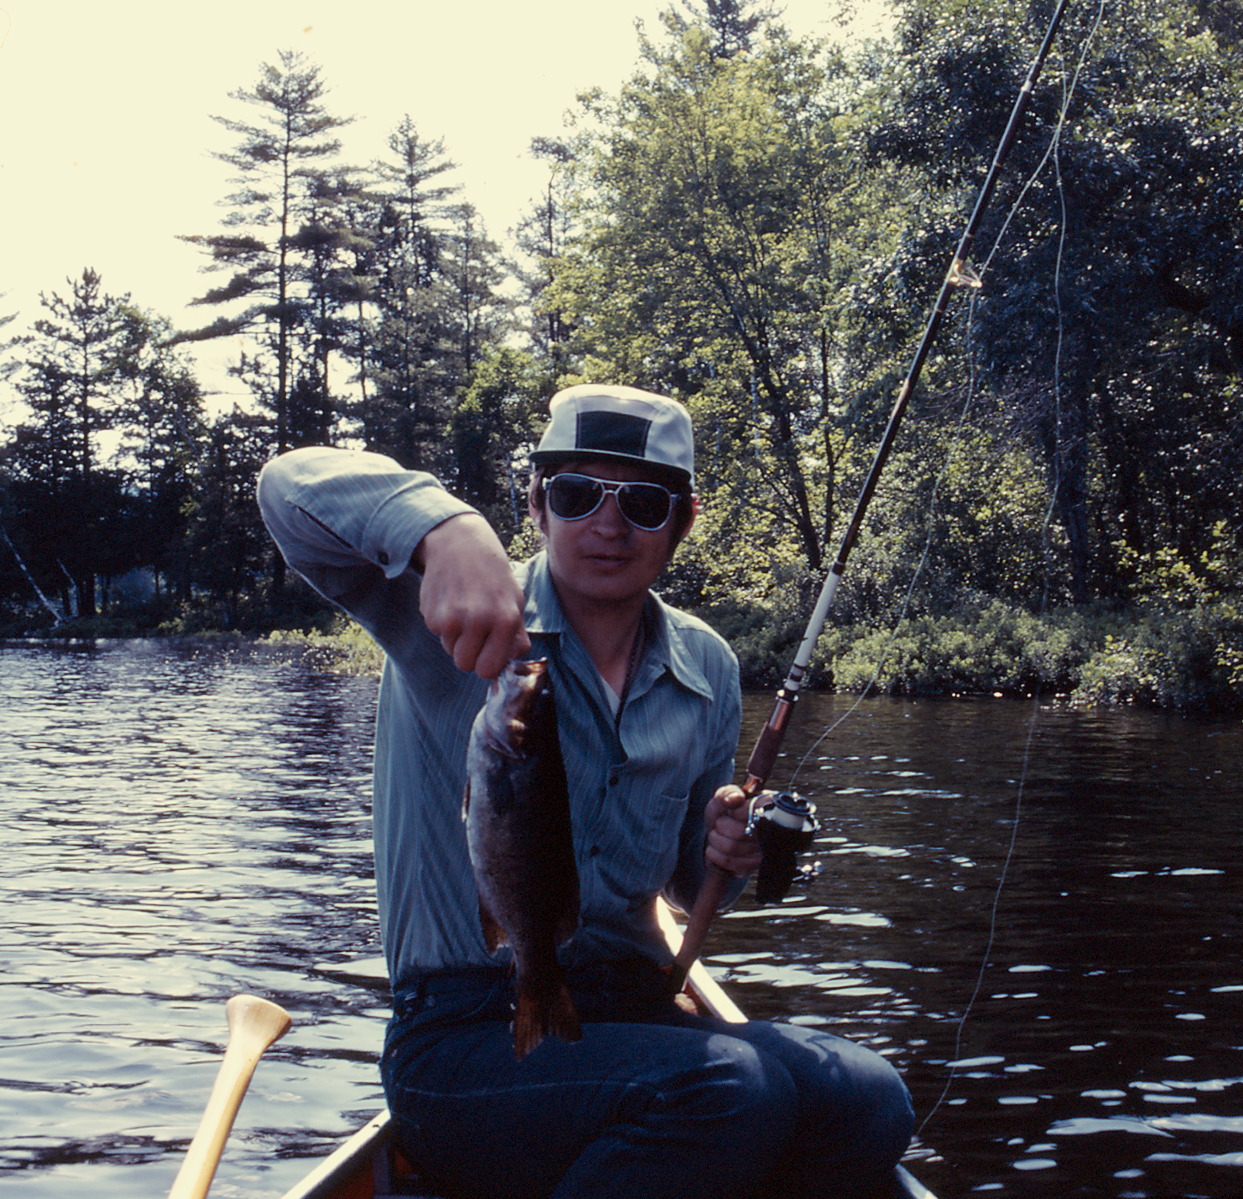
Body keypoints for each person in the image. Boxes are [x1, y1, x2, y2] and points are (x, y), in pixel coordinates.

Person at [258, 384, 914, 1199]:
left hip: (634, 1015)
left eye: (642, 503)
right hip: (465, 1034)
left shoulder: (706, 667)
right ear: (534, 504)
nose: (607, 525)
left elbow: (682, 881)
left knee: (868, 1100)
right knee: (727, 1091)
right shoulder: (450, 617)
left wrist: (726, 853)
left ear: (684, 520)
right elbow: (288, 486)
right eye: (575, 494)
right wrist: (444, 528)